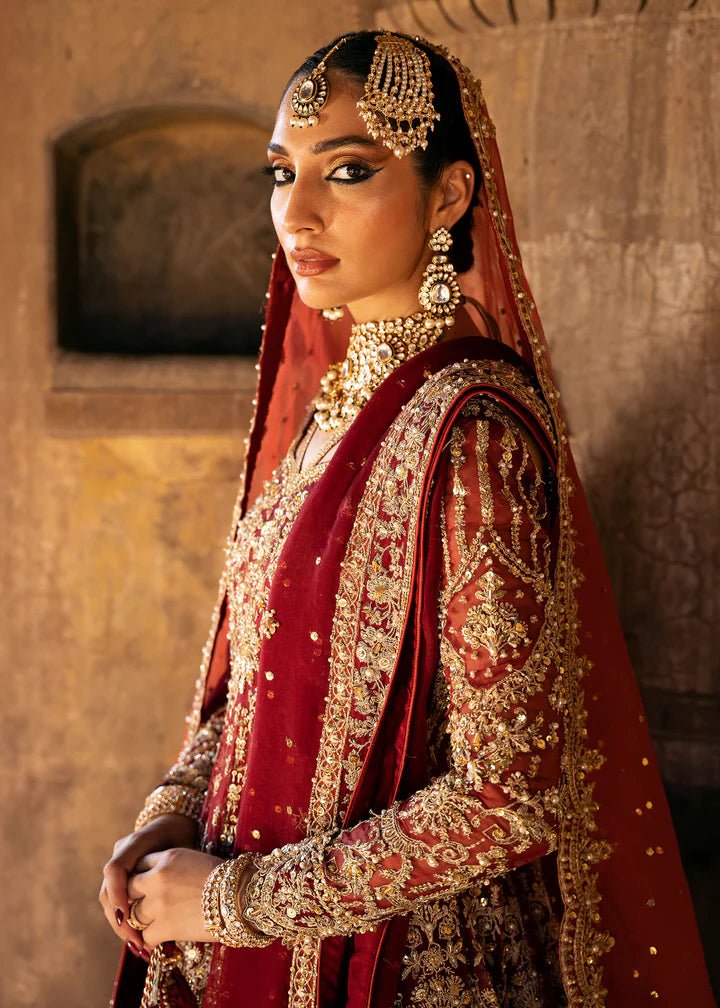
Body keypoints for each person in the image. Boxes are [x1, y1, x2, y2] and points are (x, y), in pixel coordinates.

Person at [99, 30, 715, 1008]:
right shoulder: (335, 404)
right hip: (243, 935)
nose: (295, 213)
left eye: (347, 171)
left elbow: (512, 798)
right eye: (280, 173)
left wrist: (232, 902)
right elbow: (253, 682)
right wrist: (171, 813)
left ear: (451, 196)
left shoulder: (470, 431)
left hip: (402, 969)